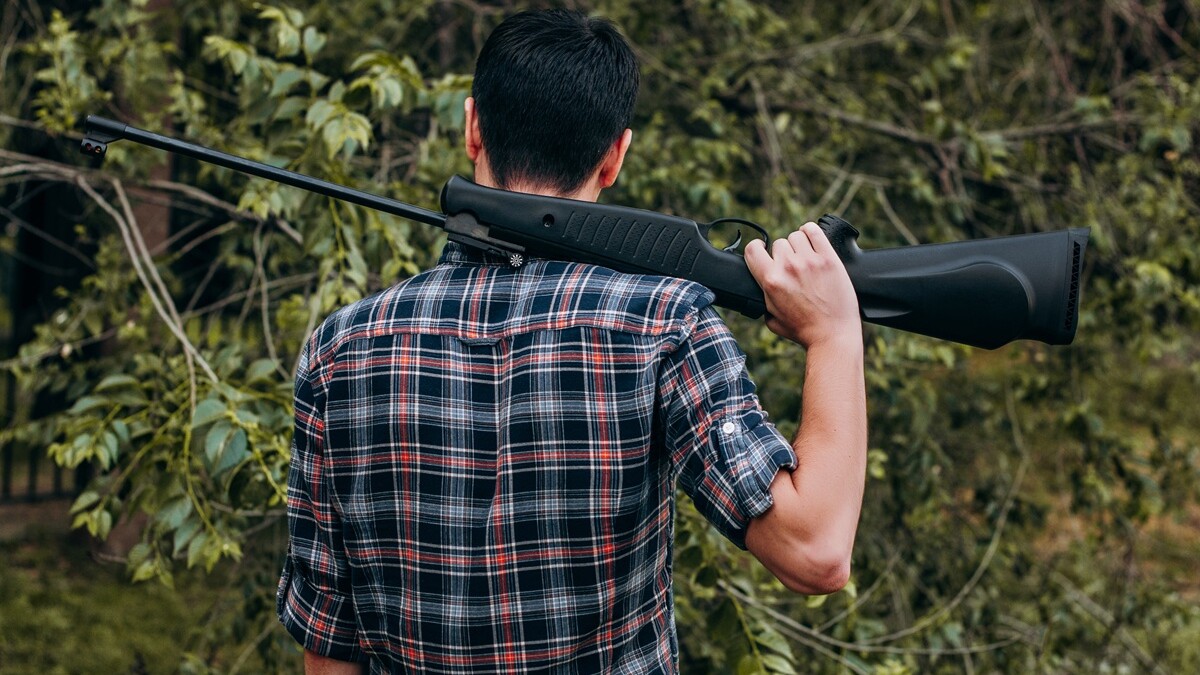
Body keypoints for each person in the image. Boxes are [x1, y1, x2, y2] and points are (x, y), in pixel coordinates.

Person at [277, 9, 866, 674]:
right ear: (616, 154)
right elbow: (815, 549)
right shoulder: (665, 325)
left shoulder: (340, 351)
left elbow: (330, 655)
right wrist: (834, 333)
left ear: (472, 127)